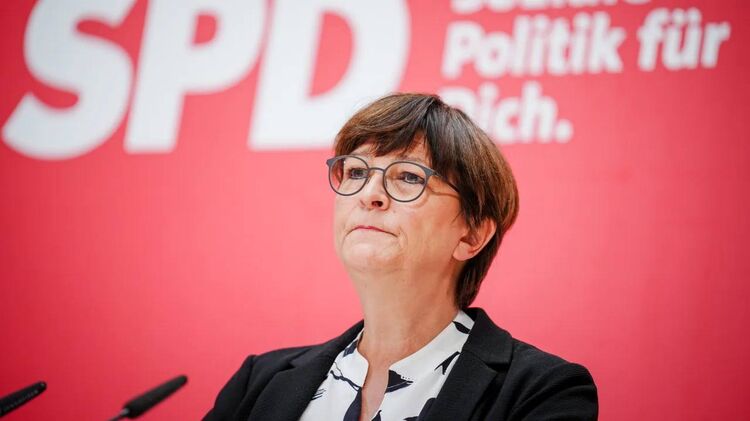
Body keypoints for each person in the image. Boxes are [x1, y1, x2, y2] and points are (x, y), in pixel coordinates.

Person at [203, 93, 598, 421]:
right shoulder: (259, 383)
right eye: (356, 172)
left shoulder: (542, 392)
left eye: (409, 176)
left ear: (472, 234)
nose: (369, 194)